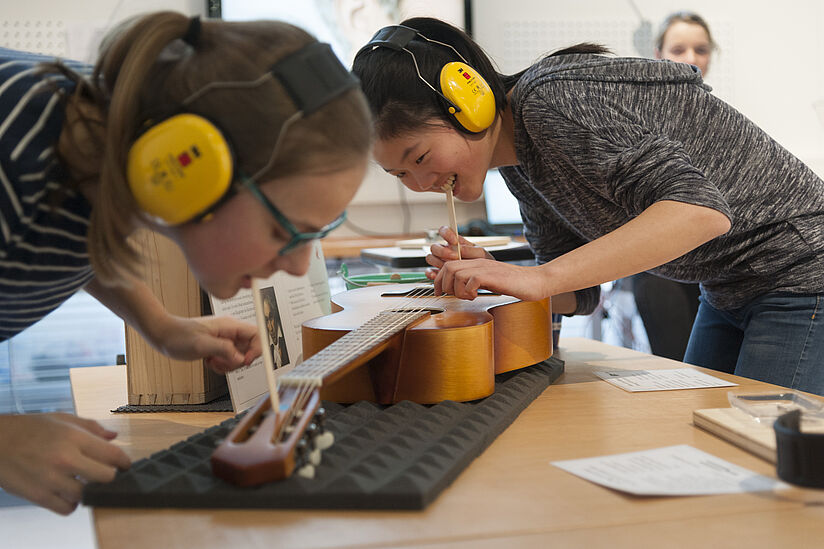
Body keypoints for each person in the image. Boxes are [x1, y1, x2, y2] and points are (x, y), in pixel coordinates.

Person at [0, 11, 372, 514]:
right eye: (284, 232)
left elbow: (91, 225)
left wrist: (161, 326)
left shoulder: (112, 146)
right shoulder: (13, 159)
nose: (297, 263)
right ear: (198, 171)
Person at [352, 17, 824, 397]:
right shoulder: (519, 161)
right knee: (708, 438)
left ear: (467, 100)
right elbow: (582, 295)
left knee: (762, 469)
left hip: (801, 273)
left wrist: (538, 278)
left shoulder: (550, 102)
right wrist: (497, 277)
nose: (420, 184)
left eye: (418, 158)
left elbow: (699, 211)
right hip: (729, 288)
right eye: (399, 175)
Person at [632, 11, 718, 360]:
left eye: (701, 49)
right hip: (658, 263)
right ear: (659, 54)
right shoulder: (635, 113)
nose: (691, 59)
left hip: (712, 260)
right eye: (679, 49)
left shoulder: (720, 116)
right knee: (676, 366)